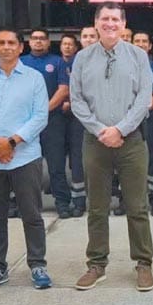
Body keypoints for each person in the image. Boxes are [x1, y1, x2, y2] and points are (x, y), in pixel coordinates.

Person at [70, 2, 153, 292]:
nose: (109, 23)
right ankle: (96, 264)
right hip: (95, 142)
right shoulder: (82, 58)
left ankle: (143, 263)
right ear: (96, 23)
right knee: (97, 206)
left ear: (123, 23)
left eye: (115, 19)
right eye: (104, 19)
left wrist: (120, 129)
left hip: (131, 141)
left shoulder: (138, 57)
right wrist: (100, 130)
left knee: (137, 206)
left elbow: (144, 98)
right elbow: (77, 100)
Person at [0, 28, 52, 291]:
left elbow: (40, 116)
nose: (6, 47)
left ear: (20, 48)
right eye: (0, 43)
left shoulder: (34, 78)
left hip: (25, 157)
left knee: (32, 214)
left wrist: (12, 142)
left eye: (11, 43)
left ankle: (37, 264)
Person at [20, 28, 71, 217]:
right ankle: (27, 205)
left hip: (52, 120)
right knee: (27, 166)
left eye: (42, 39)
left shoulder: (57, 62)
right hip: (25, 122)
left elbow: (63, 90)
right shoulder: (21, 62)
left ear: (49, 43)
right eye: (34, 38)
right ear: (29, 42)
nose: (38, 42)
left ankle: (62, 203)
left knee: (56, 164)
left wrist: (42, 112)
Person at [132, 30, 153, 216]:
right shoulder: (122, 66)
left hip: (149, 117)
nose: (141, 44)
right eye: (137, 40)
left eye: (144, 41)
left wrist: (139, 111)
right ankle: (126, 201)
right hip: (127, 121)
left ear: (150, 45)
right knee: (127, 160)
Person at [60, 33, 86, 217]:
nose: (68, 47)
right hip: (57, 116)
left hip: (78, 117)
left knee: (78, 159)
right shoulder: (58, 63)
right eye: (64, 44)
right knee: (57, 159)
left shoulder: (82, 62)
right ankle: (61, 198)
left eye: (71, 44)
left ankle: (79, 200)